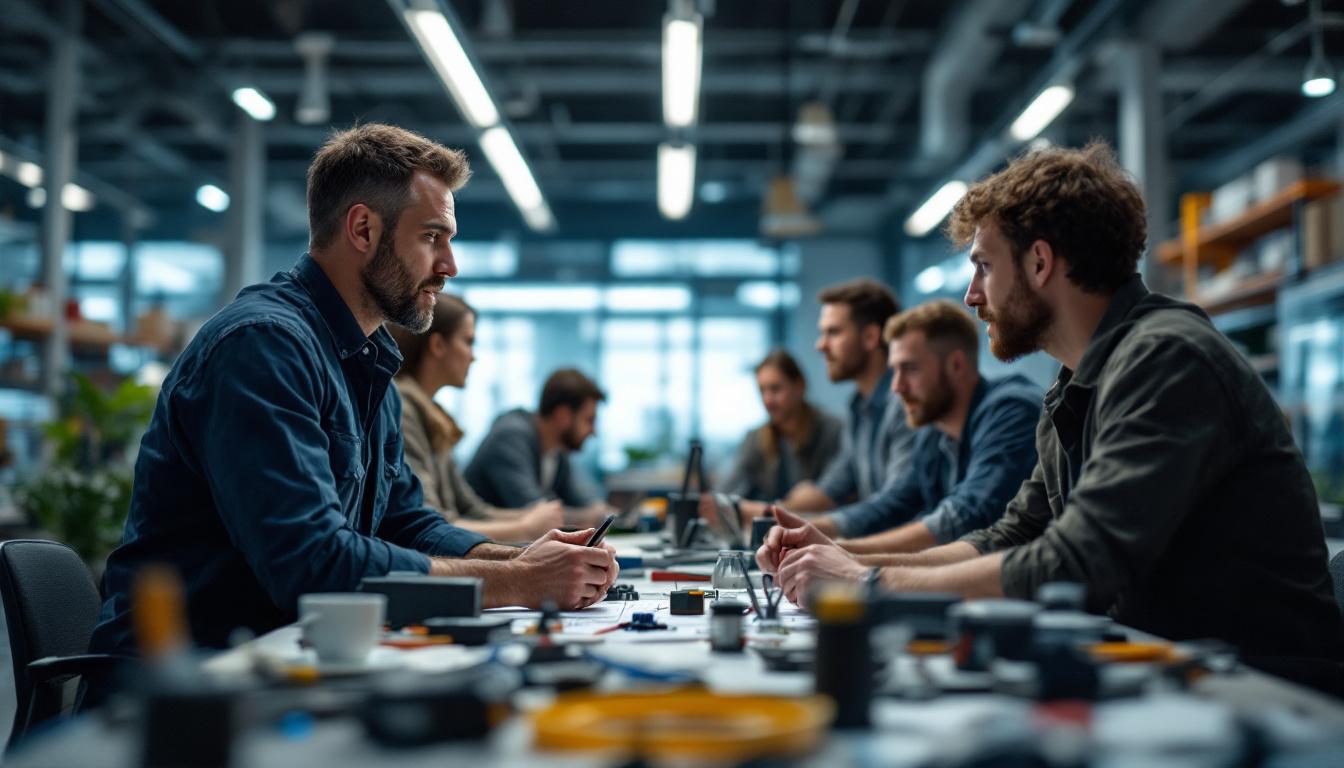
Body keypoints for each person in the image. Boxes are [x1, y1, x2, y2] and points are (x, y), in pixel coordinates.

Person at [757, 142, 1344, 678]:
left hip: (1262, 682)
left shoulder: (1166, 358)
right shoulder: (1076, 381)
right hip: (1172, 665)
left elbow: (1078, 560)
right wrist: (837, 555)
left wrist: (866, 583)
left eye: (984, 265)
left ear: (1040, 263)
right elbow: (1014, 535)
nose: (971, 295)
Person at [91, 124, 616, 655]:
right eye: (432, 237)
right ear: (362, 229)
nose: (449, 267)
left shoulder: (367, 362)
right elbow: (313, 564)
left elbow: (405, 521)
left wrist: (525, 558)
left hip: (288, 658)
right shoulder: (263, 348)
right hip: (182, 686)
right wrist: (522, 584)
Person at [805, 300, 1040, 553]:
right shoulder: (933, 431)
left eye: (909, 369)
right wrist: (810, 531)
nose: (897, 387)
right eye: (894, 371)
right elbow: (894, 504)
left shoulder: (1012, 410)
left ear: (956, 365)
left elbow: (966, 513)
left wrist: (845, 552)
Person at [388, 295, 564, 541]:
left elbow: (472, 510)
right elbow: (429, 523)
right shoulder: (403, 409)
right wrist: (526, 526)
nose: (473, 356)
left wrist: (532, 517)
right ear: (437, 345)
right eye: (468, 341)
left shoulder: (433, 416)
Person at [741, 279, 915, 518]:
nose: (820, 345)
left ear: (870, 337)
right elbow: (832, 489)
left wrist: (770, 513)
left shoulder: (907, 405)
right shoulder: (858, 409)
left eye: (833, 332)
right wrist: (769, 510)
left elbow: (895, 504)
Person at [464, 368, 613, 523]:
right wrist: (591, 515)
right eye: (589, 420)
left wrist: (600, 509)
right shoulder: (510, 437)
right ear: (563, 416)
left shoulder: (557, 450)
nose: (593, 432)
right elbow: (535, 511)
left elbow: (579, 497)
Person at [719, 349, 843, 502]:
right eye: (762, 390)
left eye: (775, 389)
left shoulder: (833, 431)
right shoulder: (756, 438)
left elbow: (834, 495)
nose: (767, 400)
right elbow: (727, 492)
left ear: (799, 386)